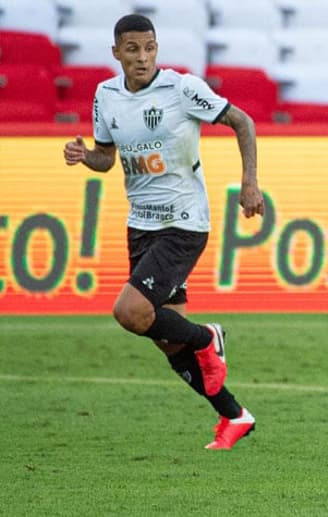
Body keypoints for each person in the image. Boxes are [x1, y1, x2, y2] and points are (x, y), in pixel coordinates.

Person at [62, 14, 265, 450]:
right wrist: (84, 157)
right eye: (132, 49)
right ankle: (235, 416)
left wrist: (249, 183)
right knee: (169, 342)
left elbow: (243, 122)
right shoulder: (106, 96)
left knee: (130, 313)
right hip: (141, 224)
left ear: (157, 48)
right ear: (116, 52)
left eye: (149, 47)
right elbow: (106, 158)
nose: (142, 57)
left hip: (183, 222)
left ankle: (208, 337)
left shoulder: (182, 88)